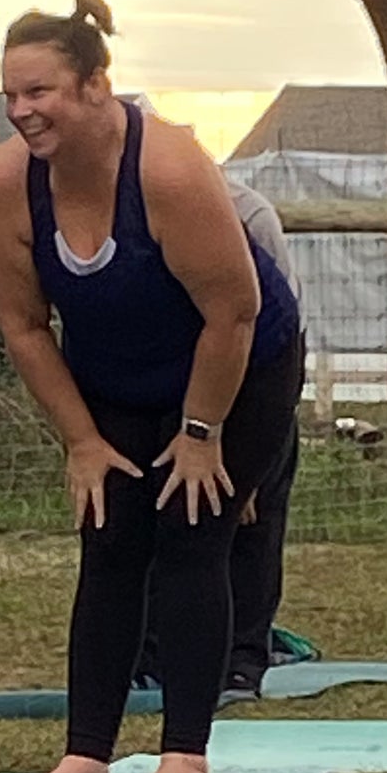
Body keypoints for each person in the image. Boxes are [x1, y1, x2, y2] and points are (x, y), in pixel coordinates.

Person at [0, 0, 301, 773]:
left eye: (39, 91)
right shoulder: (9, 182)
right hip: (116, 374)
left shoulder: (166, 167)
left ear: (95, 85)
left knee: (192, 530)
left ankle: (184, 752)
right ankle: (85, 754)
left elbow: (232, 312)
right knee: (109, 535)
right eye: (10, 94)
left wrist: (200, 433)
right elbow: (23, 326)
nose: (20, 111)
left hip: (238, 363)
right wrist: (82, 442)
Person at [134, 173, 305, 700]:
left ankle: (243, 660)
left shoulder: (249, 215)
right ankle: (151, 655)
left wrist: (245, 463)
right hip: (172, 374)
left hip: (259, 369)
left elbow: (276, 332)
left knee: (249, 519)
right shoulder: (117, 213)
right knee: (162, 509)